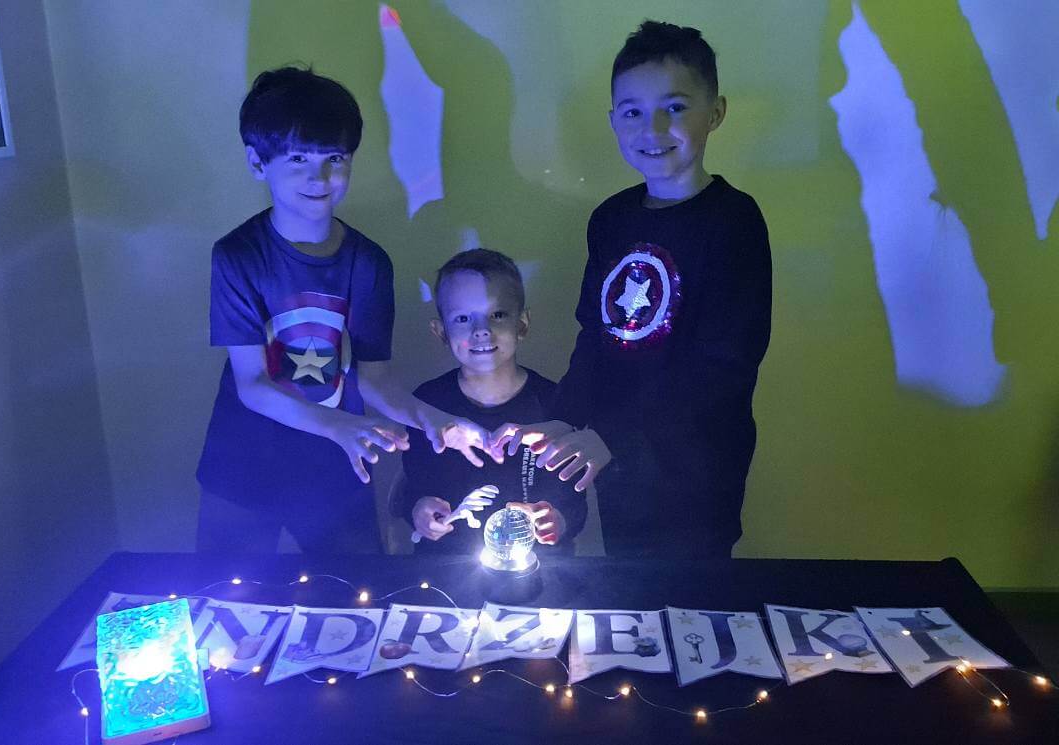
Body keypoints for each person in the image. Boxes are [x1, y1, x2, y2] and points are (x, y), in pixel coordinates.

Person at [497, 21, 771, 559]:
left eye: (675, 107)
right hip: (620, 469)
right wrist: (565, 417)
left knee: (691, 594)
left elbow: (725, 364)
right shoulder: (611, 220)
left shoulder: (733, 221)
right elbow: (596, 337)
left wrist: (611, 435)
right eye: (633, 112)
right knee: (629, 583)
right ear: (613, 121)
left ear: (715, 112)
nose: (653, 128)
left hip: (698, 469)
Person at [196, 67, 489, 555]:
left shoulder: (367, 263)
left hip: (337, 463)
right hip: (243, 465)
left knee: (354, 587)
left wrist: (436, 421)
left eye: (334, 158)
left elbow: (375, 379)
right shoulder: (239, 256)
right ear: (257, 162)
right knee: (227, 592)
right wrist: (339, 425)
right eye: (298, 159)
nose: (320, 177)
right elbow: (252, 384)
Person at [398, 249, 587, 556]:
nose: (481, 330)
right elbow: (412, 486)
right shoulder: (427, 404)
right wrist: (419, 511)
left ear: (521, 324)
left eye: (497, 314)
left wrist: (558, 522)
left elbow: (574, 501)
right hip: (446, 568)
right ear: (441, 331)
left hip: (539, 570)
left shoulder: (556, 403)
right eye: (462, 318)